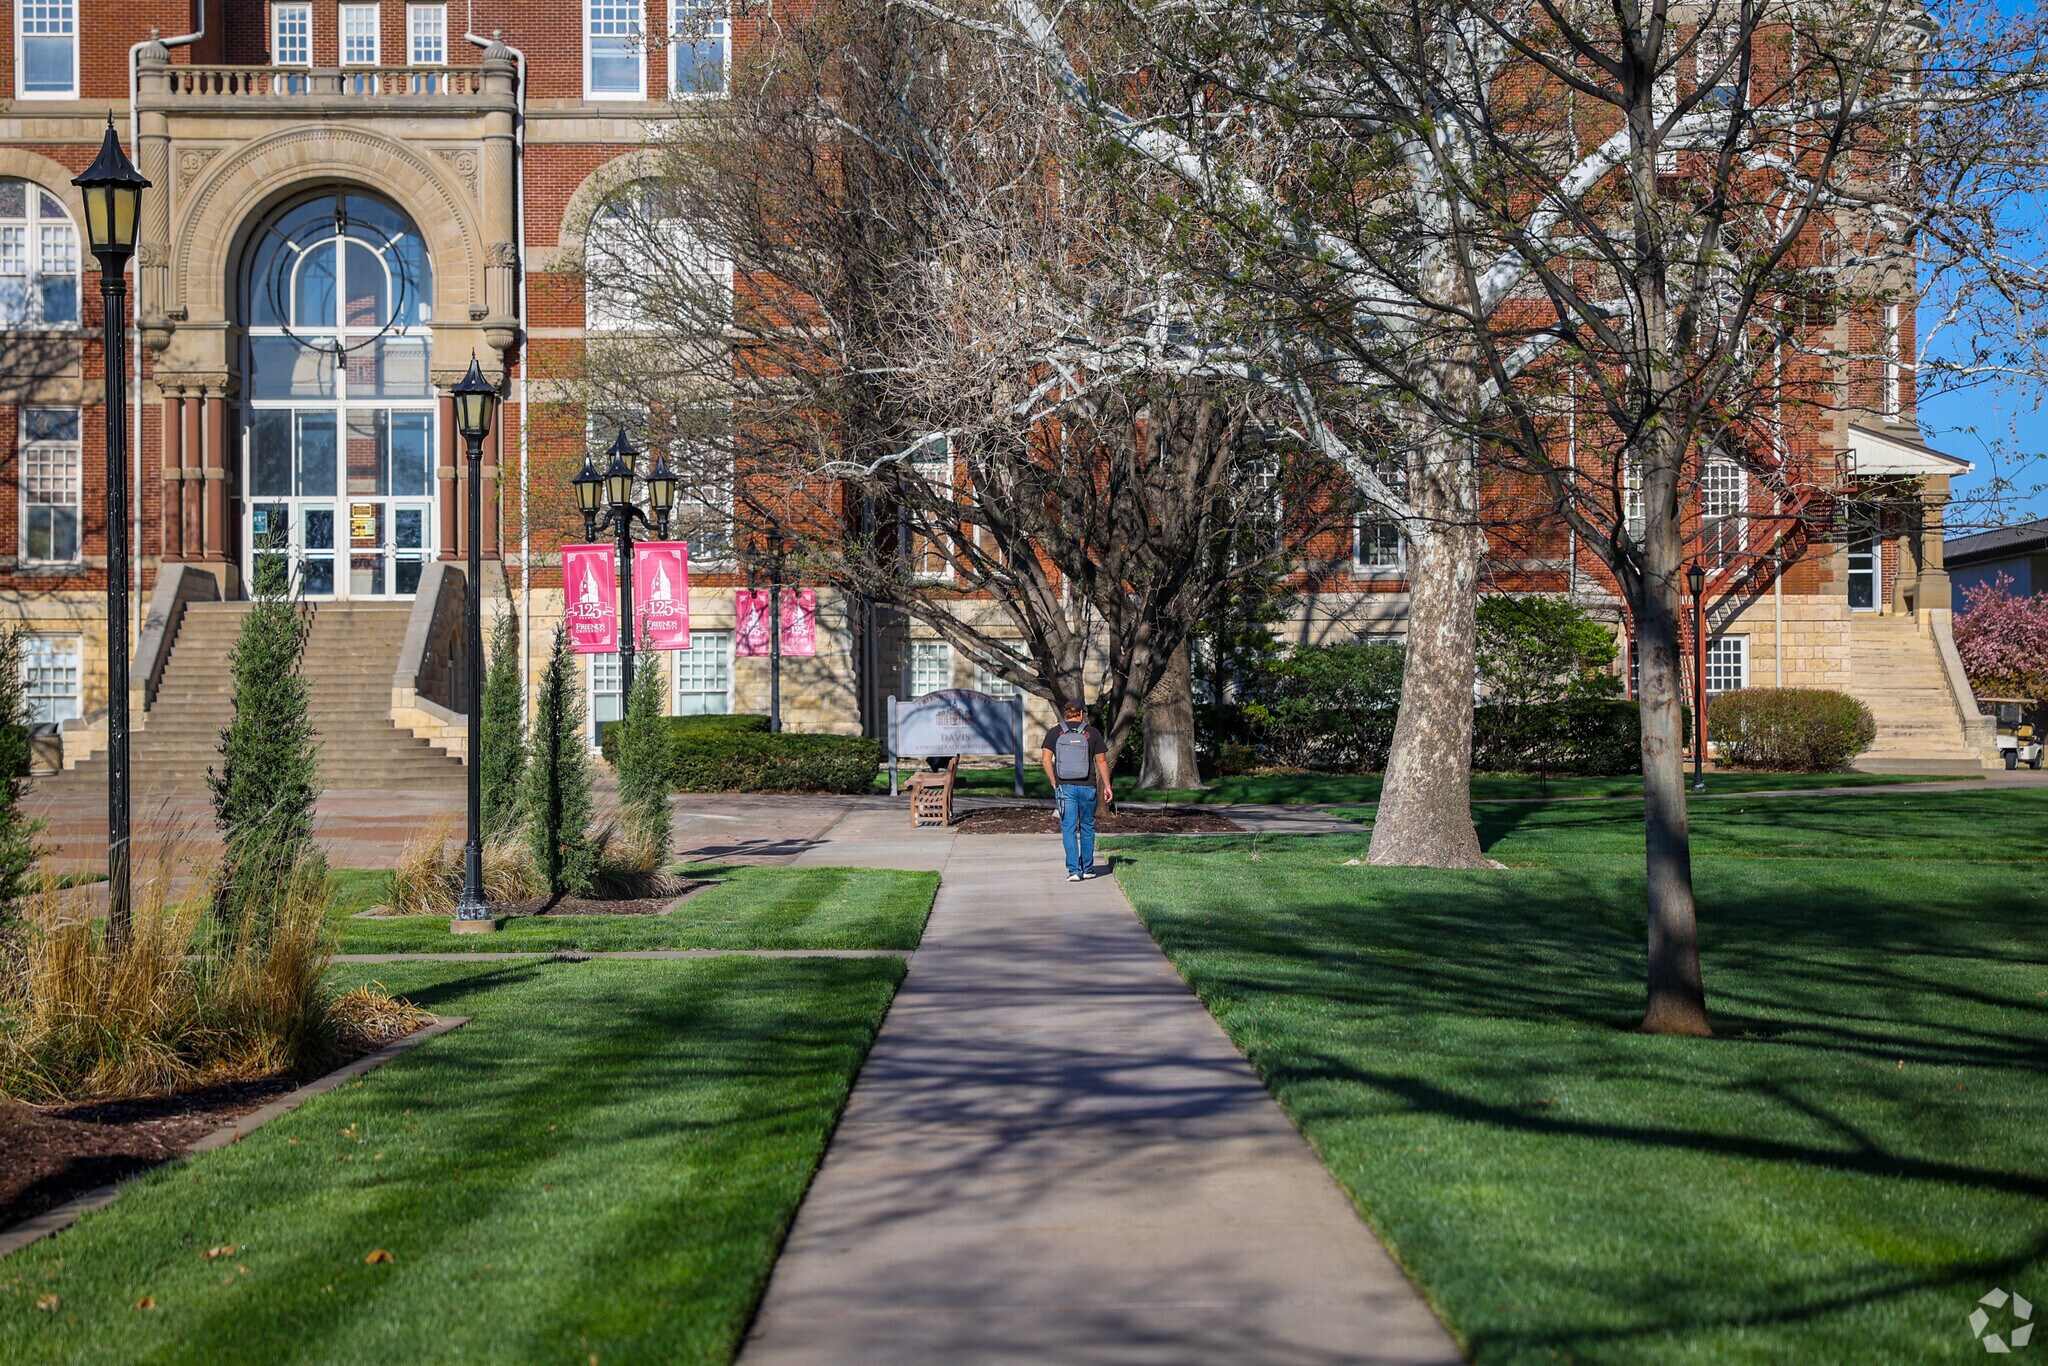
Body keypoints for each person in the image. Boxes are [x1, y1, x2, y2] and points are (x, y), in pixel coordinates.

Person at [1040, 701, 1112, 882]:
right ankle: (1087, 868)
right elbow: (1101, 762)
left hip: (1065, 787)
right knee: (1087, 827)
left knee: (1069, 828)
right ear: (1081, 713)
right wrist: (1107, 786)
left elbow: (1046, 760)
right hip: (1088, 787)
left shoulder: (1055, 732)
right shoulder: (1092, 733)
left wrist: (1054, 781)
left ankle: (1074, 871)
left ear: (1066, 714)